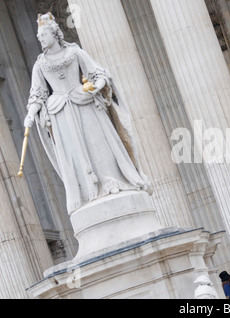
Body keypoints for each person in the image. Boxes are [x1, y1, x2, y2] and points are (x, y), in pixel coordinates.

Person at [23, 13, 150, 214]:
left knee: (98, 144)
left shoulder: (75, 53)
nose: (40, 38)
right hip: (60, 112)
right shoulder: (40, 65)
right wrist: (30, 114)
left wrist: (96, 86)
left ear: (54, 34)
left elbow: (99, 74)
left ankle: (111, 180)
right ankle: (83, 193)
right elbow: (37, 95)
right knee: (72, 153)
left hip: (84, 101)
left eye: (43, 35)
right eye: (38, 36)